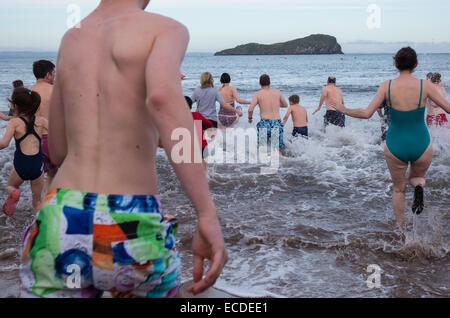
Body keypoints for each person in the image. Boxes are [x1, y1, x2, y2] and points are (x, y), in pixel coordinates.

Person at [20, 0, 227, 298]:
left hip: (60, 215)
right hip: (130, 221)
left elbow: (59, 151)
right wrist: (206, 213)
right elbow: (162, 98)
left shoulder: (71, 38)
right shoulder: (165, 29)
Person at [334, 47, 450, 227]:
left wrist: (343, 109)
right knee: (417, 178)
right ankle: (419, 186)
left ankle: (401, 231)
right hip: (422, 143)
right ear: (416, 64)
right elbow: (448, 108)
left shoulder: (386, 86)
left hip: (395, 144)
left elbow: (366, 113)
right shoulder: (425, 85)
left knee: (399, 189)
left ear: (395, 64)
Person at [0, 87, 47, 216]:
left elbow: (3, 144)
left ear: (15, 105)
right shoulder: (41, 121)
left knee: (11, 186)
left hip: (21, 165)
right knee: (37, 201)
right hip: (37, 165)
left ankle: (13, 193)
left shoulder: (15, 122)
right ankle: (38, 226)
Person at [30, 60, 57, 194]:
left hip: (32, 139)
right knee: (54, 174)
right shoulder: (54, 91)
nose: (54, 76)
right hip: (51, 139)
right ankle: (52, 202)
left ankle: (37, 203)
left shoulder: (29, 92)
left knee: (38, 174)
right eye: (54, 73)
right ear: (48, 75)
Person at [248, 74, 288, 152]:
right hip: (276, 122)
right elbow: (285, 105)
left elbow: (250, 109)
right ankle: (282, 163)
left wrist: (250, 118)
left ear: (260, 83)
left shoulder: (258, 94)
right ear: (270, 82)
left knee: (262, 148)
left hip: (264, 123)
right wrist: (276, 104)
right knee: (278, 149)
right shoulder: (277, 92)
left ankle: (261, 163)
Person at [185, 96, 213, 173]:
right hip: (202, 144)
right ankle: (207, 180)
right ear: (190, 106)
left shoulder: (179, 118)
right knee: (205, 167)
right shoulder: (196, 115)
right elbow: (209, 124)